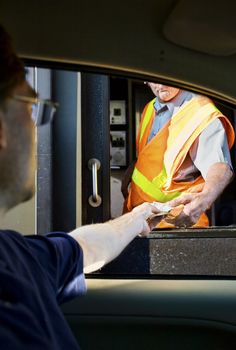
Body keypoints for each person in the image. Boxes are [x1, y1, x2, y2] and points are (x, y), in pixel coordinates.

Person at [0, 25, 161, 349]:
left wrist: (137, 218)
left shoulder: (16, 253)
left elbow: (85, 246)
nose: (35, 124)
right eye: (31, 106)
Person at [122, 82, 235, 228]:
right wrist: (131, 172)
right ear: (145, 79)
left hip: (178, 223)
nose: (161, 83)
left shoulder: (200, 113)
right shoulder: (150, 108)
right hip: (142, 220)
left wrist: (205, 199)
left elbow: (220, 166)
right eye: (154, 78)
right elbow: (151, 154)